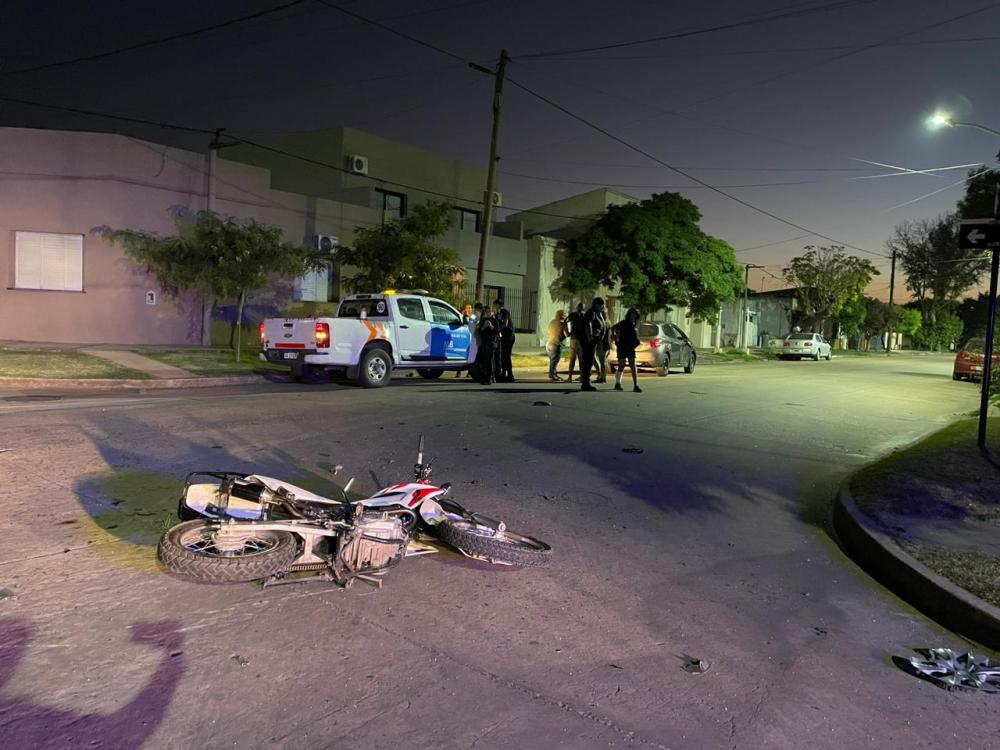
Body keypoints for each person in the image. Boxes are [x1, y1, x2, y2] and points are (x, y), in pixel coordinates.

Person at [576, 297, 606, 392]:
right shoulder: (591, 312)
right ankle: (585, 383)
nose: (603, 307)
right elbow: (588, 325)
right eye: (601, 305)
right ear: (597, 304)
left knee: (589, 360)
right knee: (588, 361)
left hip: (593, 341)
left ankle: (586, 382)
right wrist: (590, 338)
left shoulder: (598, 313)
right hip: (589, 342)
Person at [612, 307, 642, 393]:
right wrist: (615, 337)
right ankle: (617, 383)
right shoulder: (623, 323)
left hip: (630, 347)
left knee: (633, 365)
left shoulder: (635, 324)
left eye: (635, 314)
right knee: (622, 365)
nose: (633, 315)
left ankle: (635, 385)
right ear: (628, 314)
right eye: (632, 314)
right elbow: (613, 328)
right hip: (622, 346)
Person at [475, 307, 499, 385]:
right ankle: (485, 377)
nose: (488, 313)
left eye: (489, 312)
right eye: (486, 312)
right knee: (484, 360)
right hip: (484, 342)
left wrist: (491, 326)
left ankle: (489, 378)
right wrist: (484, 326)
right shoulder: (482, 320)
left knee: (489, 360)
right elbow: (479, 332)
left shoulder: (494, 320)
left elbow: (497, 331)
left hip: (492, 342)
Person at [546, 310, 569, 382]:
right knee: (554, 361)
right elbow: (566, 334)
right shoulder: (562, 324)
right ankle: (552, 375)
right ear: (562, 316)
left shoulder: (552, 322)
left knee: (552, 361)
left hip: (548, 344)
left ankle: (554, 374)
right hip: (556, 344)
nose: (566, 316)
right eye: (565, 315)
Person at [566, 302, 584, 382]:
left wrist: (568, 333)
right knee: (581, 359)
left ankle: (570, 377)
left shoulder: (573, 315)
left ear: (577, 307)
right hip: (582, 339)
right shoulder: (584, 316)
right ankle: (582, 377)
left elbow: (565, 322)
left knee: (572, 359)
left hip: (574, 338)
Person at [594, 306, 612, 383]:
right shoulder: (608, 323)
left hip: (603, 344)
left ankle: (602, 377)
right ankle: (603, 377)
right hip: (607, 344)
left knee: (602, 362)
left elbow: (601, 335)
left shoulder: (603, 324)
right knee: (604, 361)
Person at [497, 307, 516, 382]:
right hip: (506, 336)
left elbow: (505, 324)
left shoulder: (504, 312)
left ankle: (509, 374)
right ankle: (505, 373)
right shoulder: (500, 314)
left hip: (508, 336)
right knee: (504, 356)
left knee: (506, 355)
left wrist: (498, 329)